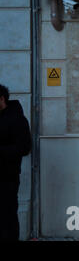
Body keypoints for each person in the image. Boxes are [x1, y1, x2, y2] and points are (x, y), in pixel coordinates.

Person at [0, 84, 31, 241]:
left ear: (2, 99)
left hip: (7, 176)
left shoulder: (17, 119)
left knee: (7, 216)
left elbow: (25, 147)